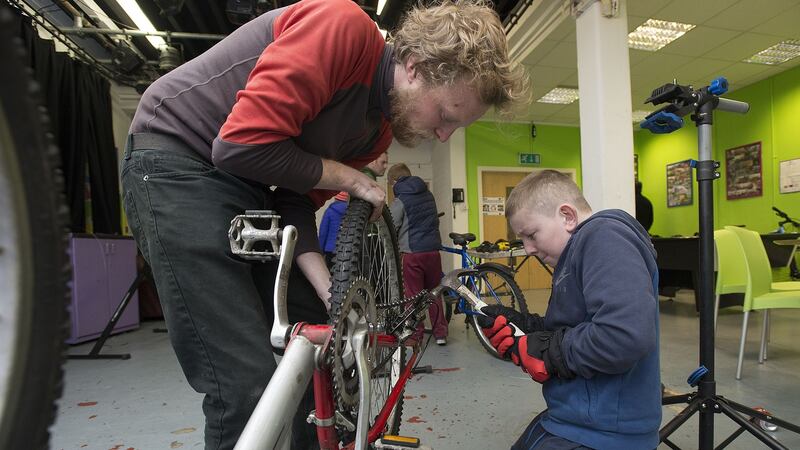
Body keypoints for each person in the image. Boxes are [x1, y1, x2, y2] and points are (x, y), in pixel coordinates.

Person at [120, 0, 528, 447]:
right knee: (244, 382)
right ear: (415, 66)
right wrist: (351, 178)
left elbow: (294, 202)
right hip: (176, 165)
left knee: (319, 346)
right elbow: (239, 145)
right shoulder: (344, 29)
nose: (444, 134)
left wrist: (329, 290)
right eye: (447, 115)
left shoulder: (378, 131)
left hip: (247, 189)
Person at [477, 170, 661, 449]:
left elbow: (624, 335)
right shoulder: (579, 250)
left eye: (532, 235)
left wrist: (548, 352)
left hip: (602, 432)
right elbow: (579, 324)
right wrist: (527, 327)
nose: (527, 249)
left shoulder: (604, 237)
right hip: (577, 418)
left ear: (567, 216)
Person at [388, 163, 448, 345]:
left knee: (413, 297)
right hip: (433, 252)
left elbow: (391, 224)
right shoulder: (428, 194)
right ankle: (441, 334)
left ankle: (416, 336)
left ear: (395, 181)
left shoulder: (400, 200)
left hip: (412, 254)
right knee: (434, 293)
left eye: (391, 183)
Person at [318, 191, 349, 267]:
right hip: (347, 249)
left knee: (330, 275)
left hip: (330, 249)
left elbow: (323, 232)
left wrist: (320, 250)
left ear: (336, 199)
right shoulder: (351, 213)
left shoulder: (330, 211)